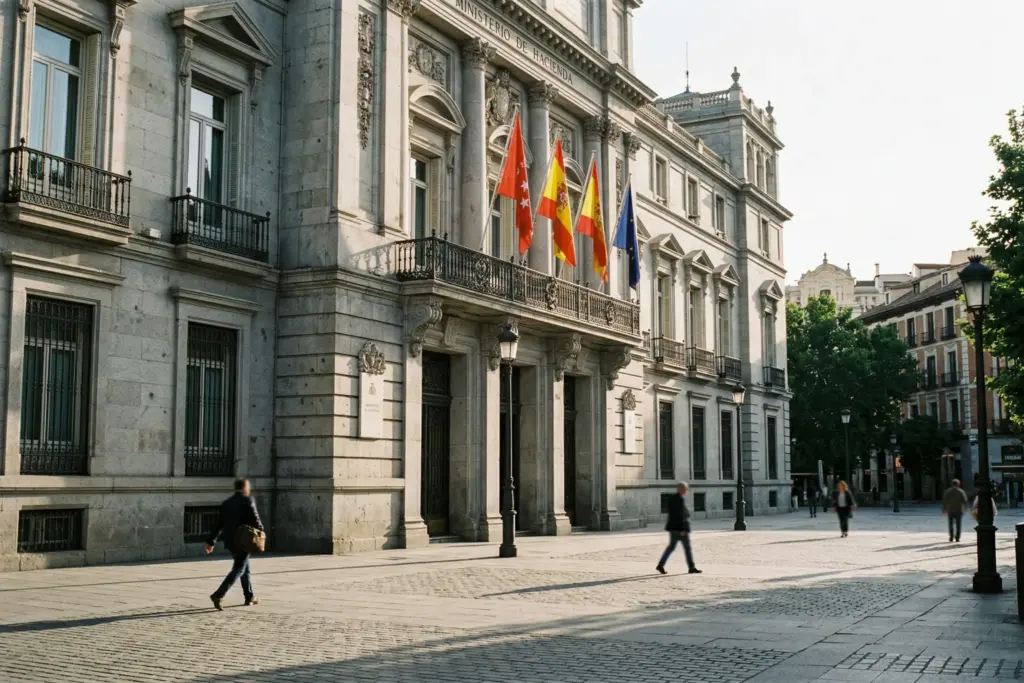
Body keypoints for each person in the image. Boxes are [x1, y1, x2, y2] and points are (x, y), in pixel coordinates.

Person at [206, 478, 264, 610]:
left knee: (244, 567)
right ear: (245, 487)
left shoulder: (227, 503)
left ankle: (249, 596)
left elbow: (218, 524)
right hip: (244, 539)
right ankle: (218, 594)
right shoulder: (248, 501)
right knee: (239, 568)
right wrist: (261, 531)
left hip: (230, 541)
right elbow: (256, 520)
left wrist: (211, 541)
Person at [656, 481, 701, 575]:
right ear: (681, 489)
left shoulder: (674, 498)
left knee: (671, 547)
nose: (686, 491)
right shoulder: (679, 500)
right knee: (687, 548)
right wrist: (683, 530)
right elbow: (678, 516)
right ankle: (691, 567)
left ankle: (661, 565)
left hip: (674, 528)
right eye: (685, 489)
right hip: (679, 529)